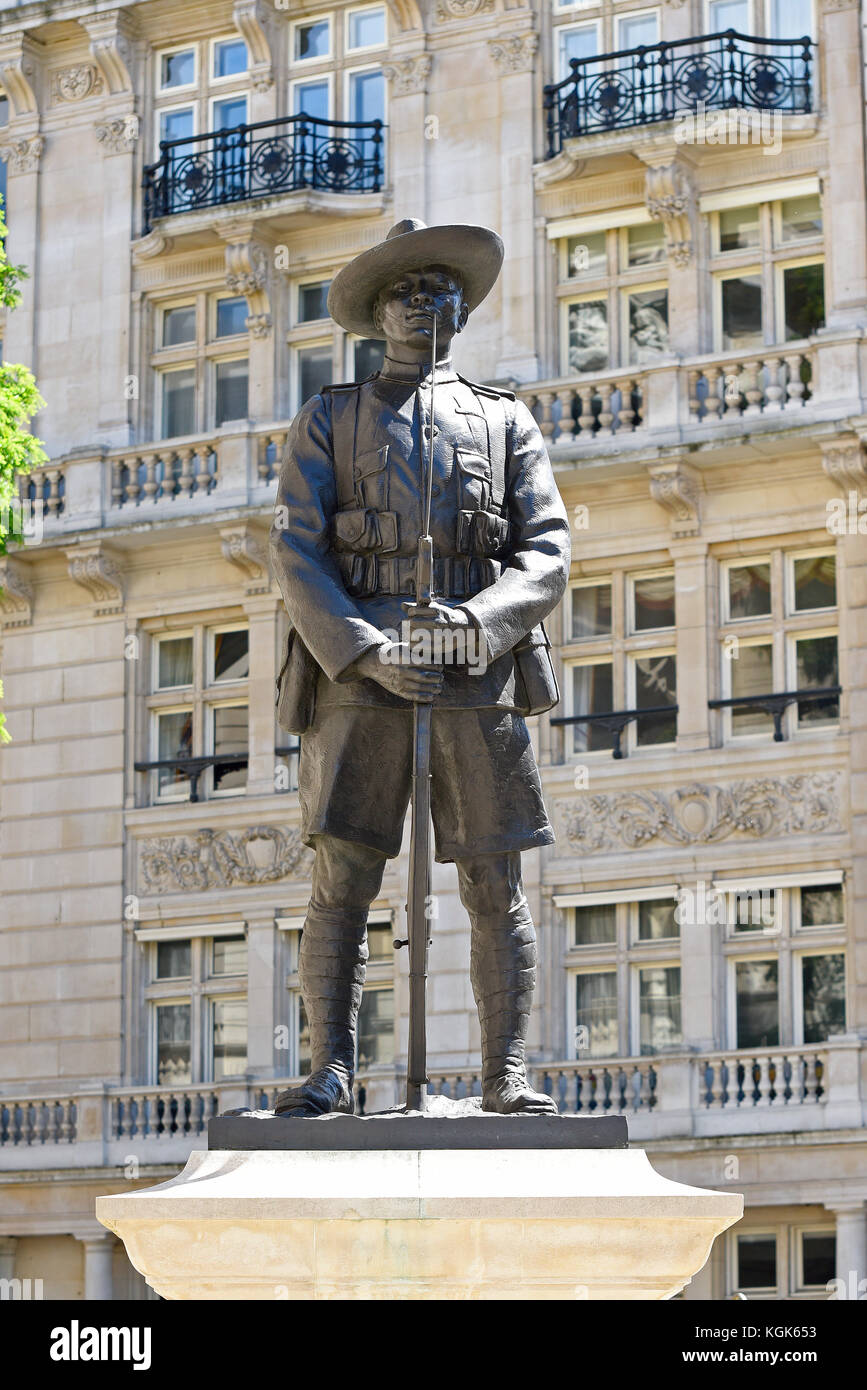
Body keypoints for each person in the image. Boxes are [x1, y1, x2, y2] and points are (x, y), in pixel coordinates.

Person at [270, 218, 571, 1117]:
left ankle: (503, 1074)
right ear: (376, 316)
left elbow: (546, 551)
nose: (424, 301)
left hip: (475, 671)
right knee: (345, 875)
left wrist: (478, 623)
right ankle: (331, 1069)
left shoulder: (506, 420)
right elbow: (296, 548)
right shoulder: (329, 417)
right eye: (405, 290)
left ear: (460, 311)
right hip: (358, 678)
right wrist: (367, 651)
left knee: (493, 877)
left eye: (440, 289)